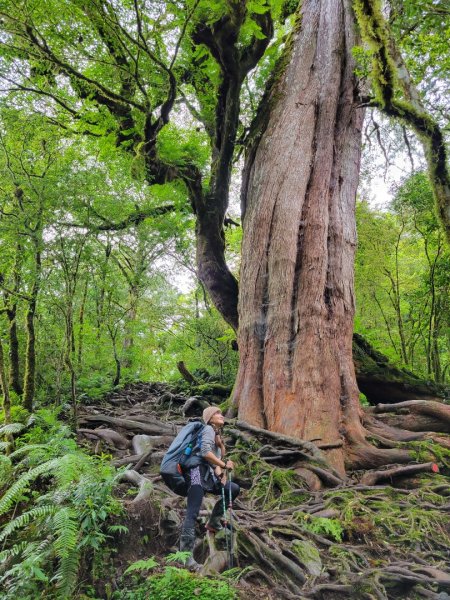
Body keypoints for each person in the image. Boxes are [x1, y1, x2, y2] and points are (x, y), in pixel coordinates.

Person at [179, 405, 240, 570]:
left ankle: (213, 522)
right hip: (196, 473)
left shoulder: (216, 435)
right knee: (193, 511)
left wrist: (222, 475)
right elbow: (206, 453)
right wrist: (224, 464)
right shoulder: (207, 429)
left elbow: (214, 462)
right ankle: (186, 558)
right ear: (209, 417)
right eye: (217, 413)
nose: (221, 415)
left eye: (221, 412)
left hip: (208, 475)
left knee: (232, 489)